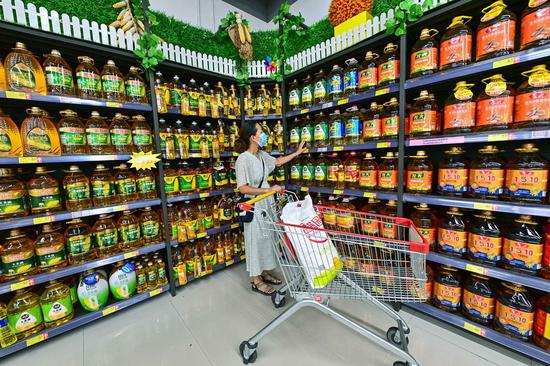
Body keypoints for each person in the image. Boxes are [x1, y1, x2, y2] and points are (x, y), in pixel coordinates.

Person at [235, 121, 306, 296]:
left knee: (267, 238)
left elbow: (278, 161)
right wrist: (268, 189)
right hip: (254, 205)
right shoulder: (243, 159)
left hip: (266, 204)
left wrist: (296, 153)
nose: (265, 134)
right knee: (255, 240)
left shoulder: (261, 154)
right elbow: (242, 187)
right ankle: (256, 280)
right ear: (253, 137)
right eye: (261, 131)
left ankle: (264, 271)